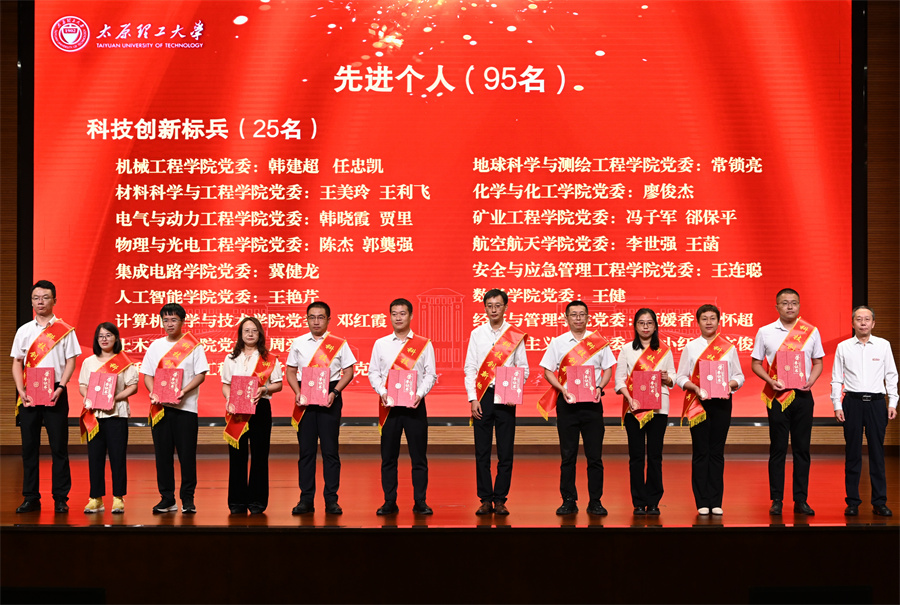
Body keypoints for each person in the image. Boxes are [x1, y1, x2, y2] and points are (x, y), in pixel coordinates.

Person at [751, 288, 824, 516]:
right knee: (778, 449)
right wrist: (769, 381)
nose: (790, 306)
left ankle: (801, 499)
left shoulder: (811, 332)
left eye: (794, 302)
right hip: (777, 397)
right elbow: (756, 363)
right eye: (785, 303)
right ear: (777, 307)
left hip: (803, 396)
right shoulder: (765, 332)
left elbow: (818, 362)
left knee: (802, 449)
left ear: (799, 306)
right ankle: (777, 499)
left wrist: (811, 381)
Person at [539, 300, 615, 516]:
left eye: (582, 314)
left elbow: (608, 369)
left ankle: (595, 501)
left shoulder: (598, 342)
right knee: (568, 456)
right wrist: (561, 389)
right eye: (574, 315)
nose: (578, 318)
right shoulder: (558, 343)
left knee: (595, 457)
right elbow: (547, 370)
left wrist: (600, 387)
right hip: (567, 404)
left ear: (588, 317)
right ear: (566, 318)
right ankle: (568, 500)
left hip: (592, 405)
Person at [11, 280, 80, 514]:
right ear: (31, 301)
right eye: (36, 298)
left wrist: (61, 386)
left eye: (45, 297)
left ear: (54, 300)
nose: (40, 302)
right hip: (29, 394)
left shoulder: (65, 330)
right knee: (29, 448)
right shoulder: (24, 331)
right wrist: (20, 390)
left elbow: (71, 361)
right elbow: (17, 362)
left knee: (58, 447)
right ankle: (31, 497)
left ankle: (60, 497)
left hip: (55, 392)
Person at [284, 302, 356, 515]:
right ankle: (306, 499)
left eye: (321, 317)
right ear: (307, 319)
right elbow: (290, 371)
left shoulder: (339, 343)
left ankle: (331, 500)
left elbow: (349, 372)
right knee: (306, 452)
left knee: (330, 451)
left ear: (328, 319)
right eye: (312, 317)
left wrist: (335, 392)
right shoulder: (298, 343)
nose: (316, 321)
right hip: (305, 398)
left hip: (330, 397)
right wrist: (297, 392)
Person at [368, 298, 437, 516]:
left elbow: (430, 374)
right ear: (390, 316)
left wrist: (419, 394)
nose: (398, 317)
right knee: (388, 457)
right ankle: (389, 501)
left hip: (415, 406)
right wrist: (382, 391)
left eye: (403, 313)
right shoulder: (381, 344)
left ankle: (420, 501)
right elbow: (373, 373)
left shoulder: (424, 344)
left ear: (411, 316)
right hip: (389, 408)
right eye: (394, 313)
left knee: (419, 457)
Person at [675, 304, 745, 516]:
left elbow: (739, 376)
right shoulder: (691, 347)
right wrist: (695, 387)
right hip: (698, 403)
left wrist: (729, 385)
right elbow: (680, 377)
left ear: (718, 321)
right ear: (698, 322)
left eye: (712, 318)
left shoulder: (728, 348)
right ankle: (702, 501)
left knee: (716, 452)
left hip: (722, 404)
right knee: (700, 452)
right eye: (704, 318)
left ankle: (716, 500)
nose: (708, 322)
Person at [464, 289, 529, 516]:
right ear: (485, 308)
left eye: (498, 305)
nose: (494, 310)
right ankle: (485, 499)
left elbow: (523, 369)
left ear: (505, 307)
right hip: (483, 396)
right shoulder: (477, 334)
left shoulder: (514, 335)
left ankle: (500, 499)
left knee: (505, 451)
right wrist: (473, 398)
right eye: (490, 306)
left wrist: (514, 391)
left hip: (506, 398)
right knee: (482, 451)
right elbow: (470, 368)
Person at [140, 303, 209, 514]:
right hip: (160, 409)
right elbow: (147, 375)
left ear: (182, 321)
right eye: (166, 320)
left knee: (187, 456)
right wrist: (153, 392)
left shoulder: (194, 346)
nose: (169, 324)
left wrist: (183, 391)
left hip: (186, 409)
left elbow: (201, 374)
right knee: (163, 456)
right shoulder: (155, 346)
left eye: (174, 320)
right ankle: (167, 498)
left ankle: (188, 498)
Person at [831, 305, 898, 517]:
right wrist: (837, 405)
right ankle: (852, 502)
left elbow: (891, 375)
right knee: (852, 454)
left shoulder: (883, 345)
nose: (863, 323)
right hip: (852, 403)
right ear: (852, 323)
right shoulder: (843, 347)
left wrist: (893, 403)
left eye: (867, 319)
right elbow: (836, 378)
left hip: (877, 404)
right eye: (858, 319)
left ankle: (879, 502)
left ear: (873, 323)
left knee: (877, 454)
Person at [614, 308, 675, 516]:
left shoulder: (664, 350)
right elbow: (619, 380)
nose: (645, 327)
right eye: (641, 323)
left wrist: (667, 378)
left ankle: (654, 501)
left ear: (655, 326)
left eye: (649, 323)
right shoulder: (626, 349)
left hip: (659, 409)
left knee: (655, 456)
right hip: (634, 408)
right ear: (635, 326)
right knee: (636, 457)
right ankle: (639, 502)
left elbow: (673, 378)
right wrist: (629, 398)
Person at [221, 317, 283, 515]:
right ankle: (237, 501)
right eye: (246, 330)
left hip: (260, 407)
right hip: (236, 409)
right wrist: (229, 399)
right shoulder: (231, 358)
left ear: (260, 334)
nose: (250, 334)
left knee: (259, 455)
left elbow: (278, 384)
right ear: (240, 334)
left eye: (254, 330)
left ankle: (257, 501)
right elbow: (226, 385)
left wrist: (264, 390)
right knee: (237, 456)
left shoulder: (269, 358)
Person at [78, 323, 139, 514]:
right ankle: (95, 498)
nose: (104, 339)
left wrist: (115, 398)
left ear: (116, 338)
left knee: (117, 457)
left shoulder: (124, 361)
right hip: (95, 416)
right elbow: (82, 385)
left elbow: (133, 386)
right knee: (95, 458)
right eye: (101, 336)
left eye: (108, 335)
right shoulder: (89, 361)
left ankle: (118, 498)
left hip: (116, 414)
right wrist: (88, 397)